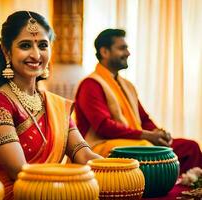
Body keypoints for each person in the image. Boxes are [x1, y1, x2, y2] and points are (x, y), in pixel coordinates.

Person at [0, 11, 101, 199]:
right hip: (18, 194)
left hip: (54, 190)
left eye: (43, 45)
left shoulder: (54, 105)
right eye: (25, 45)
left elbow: (84, 156)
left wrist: (119, 166)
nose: (36, 54)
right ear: (7, 51)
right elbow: (20, 172)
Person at [74, 28, 202, 174]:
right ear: (104, 52)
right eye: (122, 48)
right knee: (146, 148)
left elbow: (143, 120)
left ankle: (190, 188)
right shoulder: (90, 84)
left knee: (190, 147)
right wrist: (147, 136)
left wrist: (158, 134)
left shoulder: (127, 85)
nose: (128, 53)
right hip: (101, 146)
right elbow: (104, 126)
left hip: (133, 141)